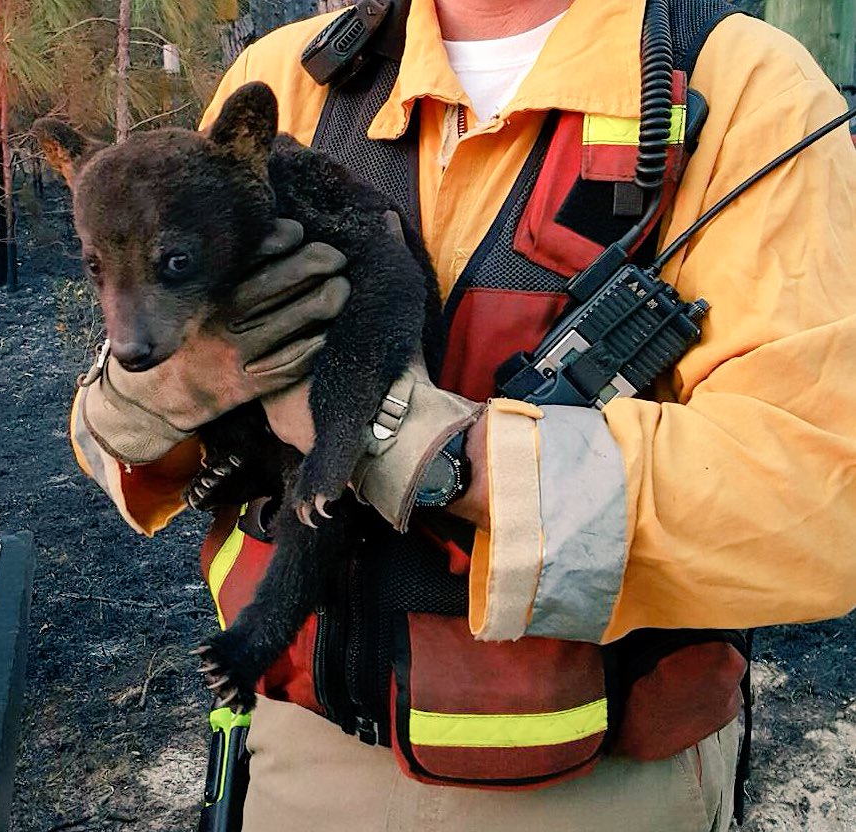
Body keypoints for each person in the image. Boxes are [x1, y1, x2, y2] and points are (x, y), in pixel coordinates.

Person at [69, 0, 856, 830]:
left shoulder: (740, 88)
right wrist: (158, 396)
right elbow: (128, 426)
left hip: (597, 788)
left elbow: (815, 502)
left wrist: (417, 448)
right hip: (302, 757)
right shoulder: (289, 76)